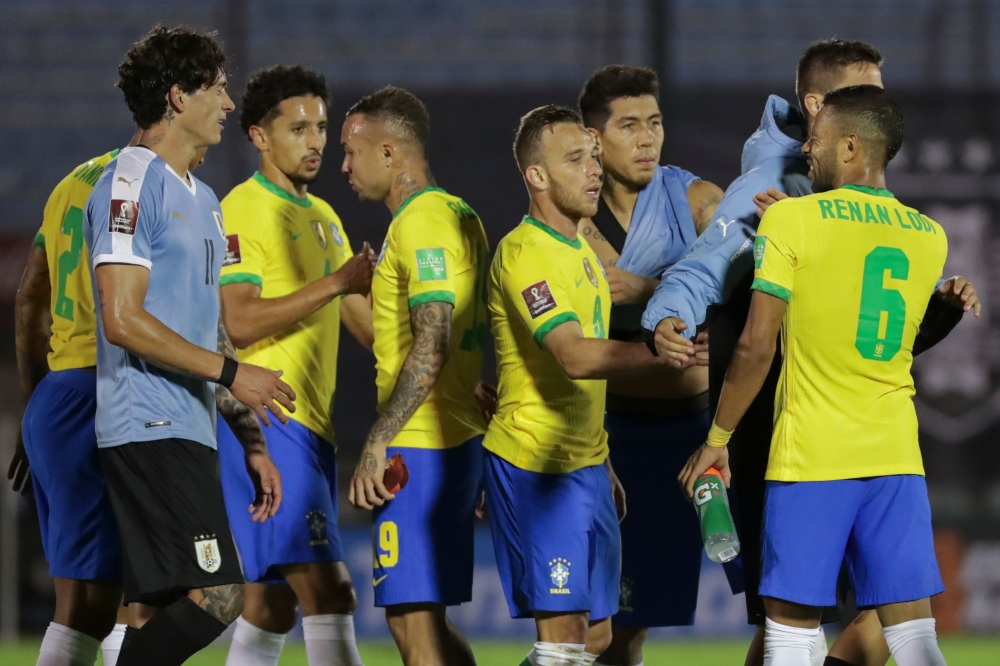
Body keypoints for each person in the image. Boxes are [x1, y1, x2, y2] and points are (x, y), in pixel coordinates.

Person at [642, 40, 975, 666]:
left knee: (790, 635)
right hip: (896, 457)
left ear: (849, 142)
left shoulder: (793, 220)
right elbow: (893, 338)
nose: (807, 148)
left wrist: (717, 436)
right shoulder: (929, 236)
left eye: (819, 140)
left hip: (810, 458)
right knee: (913, 637)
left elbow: (756, 344)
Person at [83, 26, 294, 666]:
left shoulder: (203, 199)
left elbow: (206, 329)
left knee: (156, 604)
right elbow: (122, 318)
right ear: (178, 96)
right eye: (219, 89)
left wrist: (249, 438)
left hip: (189, 424)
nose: (229, 105)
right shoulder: (128, 181)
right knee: (221, 593)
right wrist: (234, 374)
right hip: (145, 420)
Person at [11, 140, 238, 666]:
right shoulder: (142, 186)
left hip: (58, 393)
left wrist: (35, 405)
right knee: (120, 602)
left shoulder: (69, 184)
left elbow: (29, 300)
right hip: (115, 387)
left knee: (92, 603)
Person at [485, 105, 696, 666]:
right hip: (538, 468)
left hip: (586, 466)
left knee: (599, 638)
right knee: (563, 642)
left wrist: (601, 463)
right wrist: (658, 354)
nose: (594, 171)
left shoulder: (580, 247)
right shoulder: (525, 253)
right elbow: (574, 357)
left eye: (594, 158)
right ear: (536, 175)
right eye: (575, 159)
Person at [575, 65, 737, 666]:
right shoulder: (572, 219)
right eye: (629, 125)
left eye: (655, 123)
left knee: (777, 607)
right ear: (593, 139)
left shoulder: (699, 201)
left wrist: (647, 288)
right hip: (619, 441)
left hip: (708, 431)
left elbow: (748, 287)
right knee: (620, 629)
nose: (647, 138)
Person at [215, 64, 376, 666]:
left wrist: (443, 360)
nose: (315, 142)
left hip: (311, 430)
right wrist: (336, 282)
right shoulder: (244, 210)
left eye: (322, 128)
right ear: (259, 136)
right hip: (270, 421)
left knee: (271, 604)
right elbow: (240, 319)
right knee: (331, 592)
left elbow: (366, 328)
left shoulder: (326, 218)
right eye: (298, 128)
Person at [341, 86, 491, 666]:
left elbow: (433, 337)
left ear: (389, 152)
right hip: (455, 440)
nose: (344, 165)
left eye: (353, 151)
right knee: (430, 625)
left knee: (412, 631)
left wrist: (379, 437)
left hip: (419, 448)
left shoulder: (421, 223)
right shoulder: (461, 214)